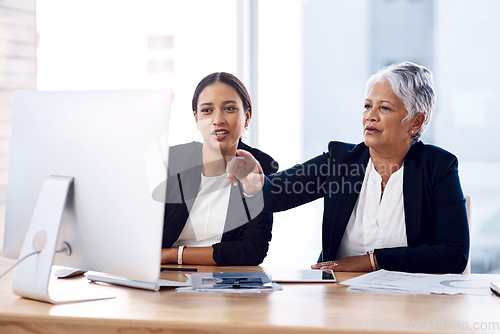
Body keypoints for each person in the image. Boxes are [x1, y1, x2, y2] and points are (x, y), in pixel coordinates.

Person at [227, 62, 469, 273]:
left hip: (411, 302)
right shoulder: (340, 162)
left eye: (384, 108)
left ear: (416, 122)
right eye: (367, 106)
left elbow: (454, 255)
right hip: (341, 293)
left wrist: (372, 261)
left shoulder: (439, 167)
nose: (370, 116)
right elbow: (275, 195)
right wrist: (255, 181)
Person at [161, 72, 278, 266]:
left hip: (227, 282)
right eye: (207, 110)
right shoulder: (171, 162)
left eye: (229, 108)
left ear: (247, 117)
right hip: (165, 280)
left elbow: (252, 250)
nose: (218, 119)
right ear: (196, 118)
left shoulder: (260, 168)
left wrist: (171, 255)